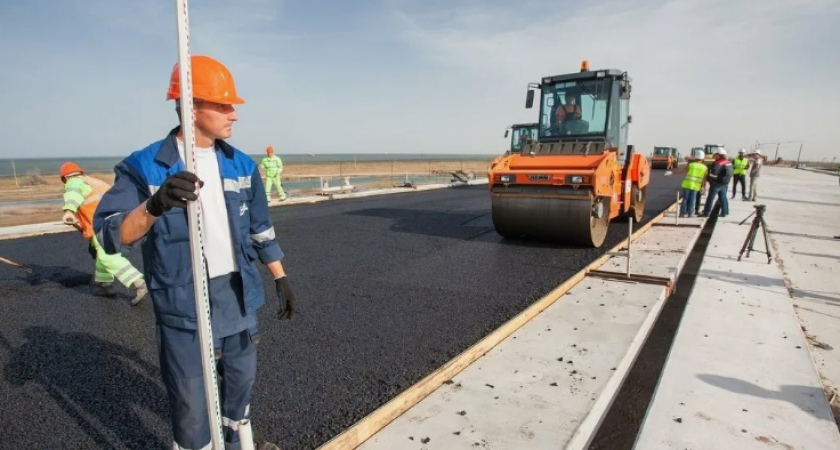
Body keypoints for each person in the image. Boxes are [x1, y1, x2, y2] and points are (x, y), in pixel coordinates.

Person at [93, 55, 294, 450]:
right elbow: (110, 234)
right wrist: (153, 206)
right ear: (190, 105)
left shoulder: (242, 165)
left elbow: (259, 229)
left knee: (240, 382)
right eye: (222, 105)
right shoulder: (145, 166)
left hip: (236, 292)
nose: (233, 114)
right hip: (182, 299)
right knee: (190, 400)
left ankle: (235, 439)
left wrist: (280, 276)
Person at [60, 162, 148, 304]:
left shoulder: (74, 182)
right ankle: (105, 286)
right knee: (102, 256)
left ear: (64, 178)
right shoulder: (95, 182)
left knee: (108, 257)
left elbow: (72, 194)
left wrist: (69, 210)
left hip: (100, 226)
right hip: (115, 222)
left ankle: (138, 282)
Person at [700, 149, 733, 217]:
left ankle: (706, 212)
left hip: (716, 183)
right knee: (723, 198)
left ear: (718, 154)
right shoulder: (729, 162)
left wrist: (710, 181)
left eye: (714, 154)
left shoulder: (717, 163)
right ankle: (724, 212)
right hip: (725, 183)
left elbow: (713, 174)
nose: (713, 155)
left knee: (710, 198)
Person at [679, 149, 708, 217]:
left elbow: (682, 171)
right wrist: (704, 187)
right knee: (693, 200)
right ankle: (690, 213)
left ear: (695, 157)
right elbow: (704, 178)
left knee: (685, 199)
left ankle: (682, 213)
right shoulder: (704, 167)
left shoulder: (691, 165)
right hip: (696, 186)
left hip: (687, 184)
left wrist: (672, 173)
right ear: (703, 158)